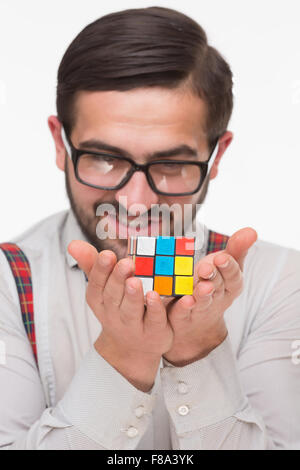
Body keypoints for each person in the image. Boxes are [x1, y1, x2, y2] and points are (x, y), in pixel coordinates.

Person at [0, 6, 300, 450]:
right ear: (60, 145)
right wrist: (125, 355)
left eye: (172, 163)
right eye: (104, 158)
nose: (135, 204)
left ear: (216, 157)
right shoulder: (8, 283)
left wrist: (199, 349)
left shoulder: (278, 280)